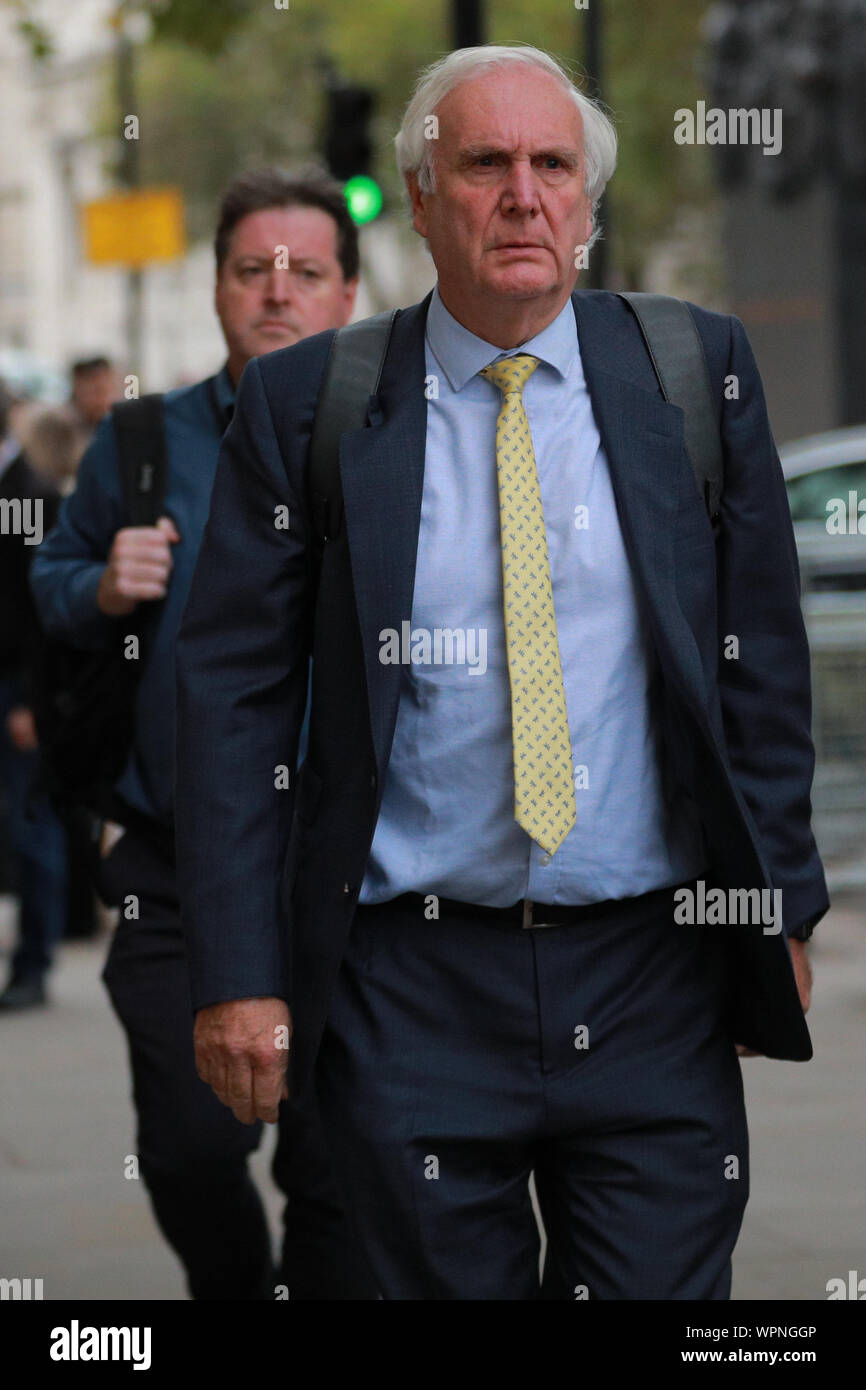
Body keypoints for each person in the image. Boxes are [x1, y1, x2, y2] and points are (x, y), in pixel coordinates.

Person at [175, 46, 830, 1301]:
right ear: (421, 199)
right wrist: (239, 971)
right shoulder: (312, 403)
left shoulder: (695, 373)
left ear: (587, 204)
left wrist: (776, 907)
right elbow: (230, 701)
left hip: (652, 977)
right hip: (406, 982)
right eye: (485, 164)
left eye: (552, 166)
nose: (523, 195)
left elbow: (760, 672)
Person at [31, 168, 374, 1300]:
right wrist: (102, 588)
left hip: (353, 883)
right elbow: (48, 581)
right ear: (217, 288)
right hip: (173, 865)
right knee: (185, 1145)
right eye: (250, 270)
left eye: (306, 272)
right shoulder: (140, 444)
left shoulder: (398, 435)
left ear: (348, 292)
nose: (277, 294)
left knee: (342, 1171)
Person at [0, 381, 68, 1009]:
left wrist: (28, 699)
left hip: (15, 693)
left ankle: (33, 965)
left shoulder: (28, 494)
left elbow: (40, 609)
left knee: (29, 825)